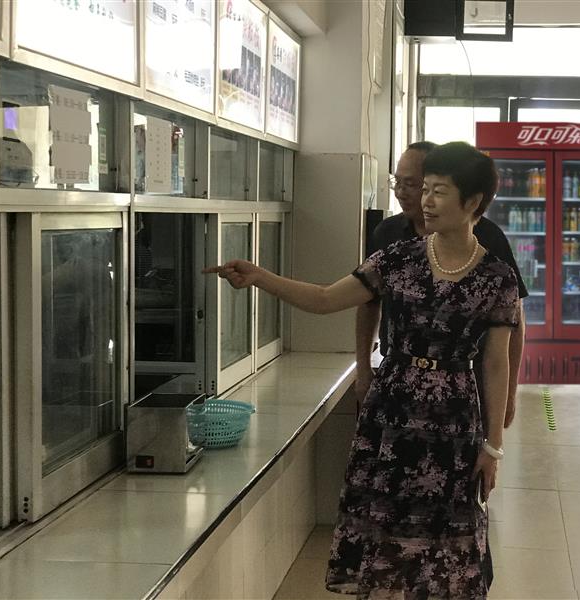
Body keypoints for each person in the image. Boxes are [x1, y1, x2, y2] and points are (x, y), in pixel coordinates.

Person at [205, 142, 519, 599]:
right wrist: (261, 277)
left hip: (453, 421)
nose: (426, 201)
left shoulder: (497, 278)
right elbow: (324, 299)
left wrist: (493, 446)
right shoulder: (397, 259)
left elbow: (495, 362)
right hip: (391, 411)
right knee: (384, 528)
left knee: (446, 539)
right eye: (425, 189)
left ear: (472, 202)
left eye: (439, 191)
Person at [356, 141, 528, 431]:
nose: (401, 192)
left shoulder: (488, 239)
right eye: (397, 182)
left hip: (467, 381)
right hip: (398, 379)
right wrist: (363, 369)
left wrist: (509, 394)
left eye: (413, 184)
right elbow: (366, 302)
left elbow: (514, 320)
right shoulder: (389, 235)